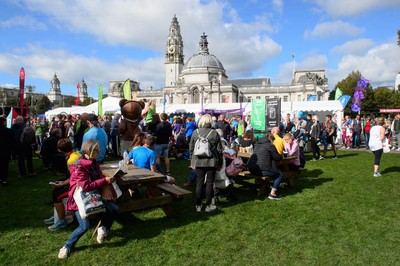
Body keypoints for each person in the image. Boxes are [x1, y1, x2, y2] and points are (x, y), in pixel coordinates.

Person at [58, 139, 118, 259]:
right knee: (84, 226)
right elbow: (85, 187)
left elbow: (99, 177)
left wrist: (111, 178)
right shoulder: (79, 166)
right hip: (80, 200)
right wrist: (104, 180)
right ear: (88, 150)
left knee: (114, 208)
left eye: (98, 150)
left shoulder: (93, 162)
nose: (98, 152)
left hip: (94, 196)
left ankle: (103, 228)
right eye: (96, 150)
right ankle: (67, 246)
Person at [45, 139, 82, 231]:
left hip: (78, 186)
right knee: (57, 187)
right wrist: (61, 182)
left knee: (56, 195)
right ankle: (57, 214)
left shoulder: (71, 160)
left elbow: (73, 178)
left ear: (59, 150)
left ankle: (62, 220)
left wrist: (62, 184)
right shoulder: (76, 154)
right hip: (77, 182)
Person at [189, 114, 223, 212]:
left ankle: (198, 205)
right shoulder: (214, 133)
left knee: (199, 183)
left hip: (198, 161)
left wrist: (192, 161)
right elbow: (219, 150)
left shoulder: (196, 132)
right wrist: (219, 163)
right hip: (211, 161)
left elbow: (191, 148)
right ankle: (208, 206)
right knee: (209, 183)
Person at [246, 133, 284, 200]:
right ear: (271, 139)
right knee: (280, 174)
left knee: (271, 172)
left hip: (251, 169)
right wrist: (281, 155)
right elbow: (277, 158)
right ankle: (272, 194)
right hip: (261, 170)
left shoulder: (257, 145)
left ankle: (264, 187)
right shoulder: (270, 145)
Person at [0, 116, 16, 185]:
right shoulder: (8, 131)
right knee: (4, 166)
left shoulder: (8, 131)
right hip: (5, 150)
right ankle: (4, 179)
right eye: (6, 121)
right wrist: (13, 151)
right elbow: (13, 142)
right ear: (3, 122)